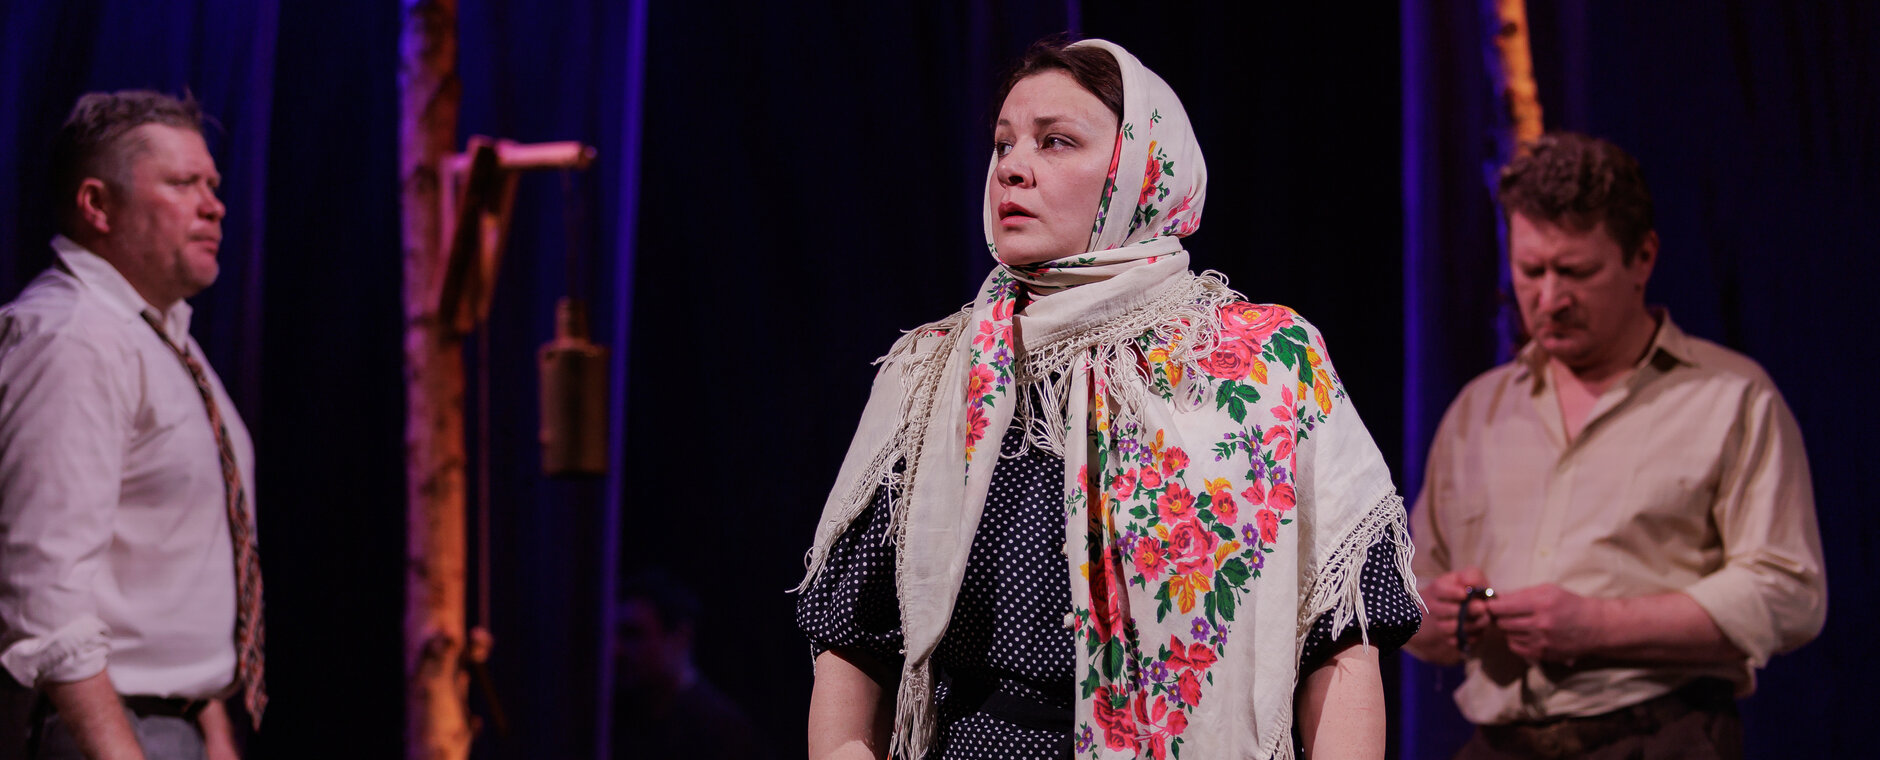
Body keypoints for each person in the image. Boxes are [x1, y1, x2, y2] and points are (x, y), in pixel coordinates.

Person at [795, 38, 1420, 760]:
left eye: (1056, 141)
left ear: (1142, 169)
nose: (1013, 167)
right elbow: (854, 643)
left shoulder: (1264, 363)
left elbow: (1340, 638)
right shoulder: (933, 372)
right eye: (1003, 144)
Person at [1404, 132, 1827, 759]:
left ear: (1643, 257)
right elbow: (1413, 589)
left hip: (1660, 739)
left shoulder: (1731, 398)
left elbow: (1789, 592)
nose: (1550, 299)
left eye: (1577, 272)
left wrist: (1599, 626)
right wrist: (1433, 616)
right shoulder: (1477, 411)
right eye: (1530, 271)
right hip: (1500, 744)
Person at [0, 91, 265, 760]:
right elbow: (45, 597)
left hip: (168, 725)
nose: (214, 205)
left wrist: (212, 733)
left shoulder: (158, 335)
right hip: (97, 728)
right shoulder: (74, 338)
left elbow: (173, 580)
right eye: (182, 183)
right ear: (98, 204)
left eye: (213, 185)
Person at [609, 571, 768, 760]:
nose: (617, 649)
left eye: (633, 634)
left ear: (679, 637)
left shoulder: (723, 731)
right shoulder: (622, 718)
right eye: (614, 635)